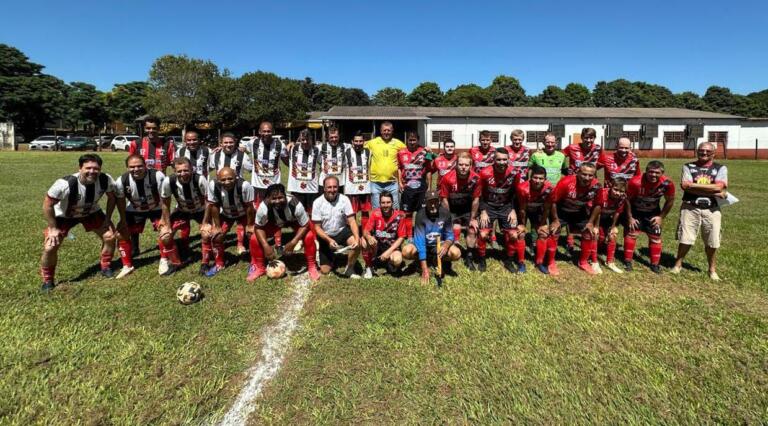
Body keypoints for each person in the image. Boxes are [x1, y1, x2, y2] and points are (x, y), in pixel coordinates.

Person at [39, 154, 118, 291]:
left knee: (110, 236)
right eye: (88, 168)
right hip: (64, 216)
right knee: (50, 247)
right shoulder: (64, 184)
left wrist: (107, 218)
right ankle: (48, 280)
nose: (92, 172)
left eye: (96, 168)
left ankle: (105, 266)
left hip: (91, 212)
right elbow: (47, 204)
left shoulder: (105, 179)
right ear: (80, 168)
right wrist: (53, 228)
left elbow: (112, 198)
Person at [672, 142, 728, 281]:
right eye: (701, 151)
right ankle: (678, 264)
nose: (704, 153)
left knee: (712, 240)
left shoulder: (720, 168)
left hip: (712, 209)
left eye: (708, 151)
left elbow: (720, 187)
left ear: (713, 153)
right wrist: (712, 188)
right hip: (690, 207)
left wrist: (693, 185)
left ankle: (712, 269)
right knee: (685, 237)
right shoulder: (688, 166)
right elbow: (685, 186)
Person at [114, 155, 176, 279]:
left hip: (156, 208)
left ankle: (164, 259)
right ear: (127, 167)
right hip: (135, 209)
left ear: (146, 166)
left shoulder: (157, 176)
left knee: (165, 232)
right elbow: (120, 201)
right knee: (121, 233)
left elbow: (165, 199)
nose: (136, 169)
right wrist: (122, 219)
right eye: (132, 167)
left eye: (139, 166)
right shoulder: (122, 180)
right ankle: (127, 265)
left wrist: (165, 218)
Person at [252, 184, 320, 282]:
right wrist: (266, 245)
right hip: (273, 223)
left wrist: (293, 242)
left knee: (308, 236)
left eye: (280, 197)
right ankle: (260, 267)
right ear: (268, 198)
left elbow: (305, 225)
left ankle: (311, 265)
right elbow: (258, 227)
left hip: (293, 222)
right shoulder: (263, 207)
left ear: (285, 195)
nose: (278, 201)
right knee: (254, 239)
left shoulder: (294, 203)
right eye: (274, 198)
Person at [472, 148, 524, 273]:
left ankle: (509, 260)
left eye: (504, 159)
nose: (501, 162)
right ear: (493, 160)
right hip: (488, 206)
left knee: (513, 234)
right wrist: (483, 211)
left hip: (506, 207)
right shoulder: (484, 173)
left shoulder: (514, 173)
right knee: (483, 234)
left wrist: (512, 209)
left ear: (508, 160)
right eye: (499, 159)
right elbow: (480, 194)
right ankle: (482, 259)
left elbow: (514, 193)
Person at [546, 162, 602, 275]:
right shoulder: (566, 182)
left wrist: (591, 222)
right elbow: (553, 202)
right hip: (561, 210)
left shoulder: (596, 186)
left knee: (588, 232)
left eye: (590, 175)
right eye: (584, 174)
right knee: (554, 231)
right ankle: (550, 262)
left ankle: (583, 262)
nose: (587, 178)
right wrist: (556, 220)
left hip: (578, 211)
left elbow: (598, 205)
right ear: (578, 173)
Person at [160, 157, 211, 275]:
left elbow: (209, 202)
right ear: (174, 171)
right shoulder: (169, 181)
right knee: (165, 235)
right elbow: (165, 205)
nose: (183, 173)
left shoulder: (200, 179)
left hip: (201, 210)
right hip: (182, 210)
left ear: (192, 169)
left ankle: (205, 263)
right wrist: (167, 225)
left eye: (186, 170)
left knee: (207, 233)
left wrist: (205, 222)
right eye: (179, 171)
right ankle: (175, 263)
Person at [623, 161, 676, 273]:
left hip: (653, 213)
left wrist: (661, 217)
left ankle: (654, 264)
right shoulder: (635, 182)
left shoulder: (667, 183)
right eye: (651, 172)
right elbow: (626, 199)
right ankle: (627, 261)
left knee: (655, 237)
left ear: (662, 173)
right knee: (631, 234)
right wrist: (630, 217)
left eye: (657, 173)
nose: (653, 175)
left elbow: (670, 200)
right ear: (646, 171)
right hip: (635, 211)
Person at [204, 167, 257, 277]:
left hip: (244, 214)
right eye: (223, 180)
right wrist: (217, 226)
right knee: (217, 236)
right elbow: (214, 206)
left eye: (230, 179)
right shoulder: (213, 185)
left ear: (236, 177)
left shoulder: (244, 185)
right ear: (218, 179)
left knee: (253, 236)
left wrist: (250, 225)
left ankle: (255, 263)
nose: (227, 182)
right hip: (227, 214)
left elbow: (249, 207)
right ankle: (219, 264)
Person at [402, 190, 461, 285]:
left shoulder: (445, 213)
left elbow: (450, 235)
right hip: (424, 244)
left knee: (456, 253)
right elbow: (420, 242)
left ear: (439, 201)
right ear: (425, 202)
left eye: (435, 202)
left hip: (439, 244)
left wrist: (446, 245)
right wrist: (425, 269)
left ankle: (436, 259)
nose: (433, 205)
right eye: (430, 202)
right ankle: (422, 261)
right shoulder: (420, 215)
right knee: (406, 251)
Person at [209, 132, 254, 254]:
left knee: (240, 215)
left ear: (235, 143)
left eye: (231, 142)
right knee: (224, 215)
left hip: (238, 190)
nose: (228, 145)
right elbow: (208, 168)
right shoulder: (215, 155)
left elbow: (251, 169)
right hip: (221, 190)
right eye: (225, 142)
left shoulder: (242, 155)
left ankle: (240, 244)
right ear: (221, 144)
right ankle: (218, 242)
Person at [312, 176, 361, 278]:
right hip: (326, 235)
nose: (332, 190)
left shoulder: (344, 199)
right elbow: (317, 228)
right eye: (329, 187)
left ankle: (350, 269)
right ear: (324, 188)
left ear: (338, 187)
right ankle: (329, 254)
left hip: (342, 231)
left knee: (357, 244)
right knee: (325, 270)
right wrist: (329, 240)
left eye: (335, 187)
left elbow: (352, 221)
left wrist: (356, 238)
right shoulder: (317, 202)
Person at [439, 152, 481, 270]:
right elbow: (444, 199)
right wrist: (448, 218)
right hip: (451, 207)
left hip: (467, 208)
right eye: (461, 164)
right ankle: (447, 253)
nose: (463, 167)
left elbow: (476, 199)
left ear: (471, 166)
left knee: (472, 230)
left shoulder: (476, 178)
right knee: (447, 228)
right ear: (456, 164)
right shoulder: (447, 178)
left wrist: (472, 218)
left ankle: (469, 256)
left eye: (466, 165)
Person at [515, 165, 555, 274]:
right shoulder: (522, 188)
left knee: (543, 233)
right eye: (535, 178)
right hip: (523, 209)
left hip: (537, 210)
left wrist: (542, 225)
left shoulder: (549, 189)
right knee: (520, 233)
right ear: (530, 178)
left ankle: (539, 262)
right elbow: (522, 209)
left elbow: (547, 209)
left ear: (545, 179)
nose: (537, 181)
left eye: (541, 178)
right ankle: (521, 262)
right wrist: (522, 224)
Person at [361, 191, 407, 278]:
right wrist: (368, 236)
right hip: (377, 246)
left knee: (397, 260)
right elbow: (365, 231)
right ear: (379, 203)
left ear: (393, 203)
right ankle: (369, 266)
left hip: (392, 247)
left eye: (388, 202)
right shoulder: (375, 213)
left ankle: (388, 263)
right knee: (363, 240)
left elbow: (401, 238)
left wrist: (388, 252)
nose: (386, 205)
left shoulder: (399, 216)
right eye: (383, 203)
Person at [587, 177, 628, 274]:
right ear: (610, 186)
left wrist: (613, 226)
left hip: (606, 217)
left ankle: (610, 261)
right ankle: (594, 261)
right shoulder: (602, 193)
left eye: (621, 191)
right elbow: (598, 211)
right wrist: (595, 226)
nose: (618, 193)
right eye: (616, 189)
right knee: (595, 234)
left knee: (613, 234)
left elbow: (617, 212)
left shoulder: (622, 198)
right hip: (593, 216)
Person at [398, 132, 432, 237]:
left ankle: (420, 233)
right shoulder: (401, 153)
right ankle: (409, 236)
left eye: (414, 140)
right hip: (407, 187)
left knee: (422, 213)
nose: (412, 142)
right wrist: (399, 182)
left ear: (418, 140)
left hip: (421, 187)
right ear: (406, 140)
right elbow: (399, 168)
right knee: (407, 212)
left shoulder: (424, 152)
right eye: (410, 140)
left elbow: (429, 170)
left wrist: (429, 186)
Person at [366, 121, 406, 209]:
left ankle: (394, 222)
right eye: (384, 130)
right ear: (380, 131)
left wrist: (423, 148)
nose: (386, 132)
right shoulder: (373, 142)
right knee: (377, 209)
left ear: (392, 131)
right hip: (375, 183)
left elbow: (410, 151)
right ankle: (379, 223)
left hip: (392, 183)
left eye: (388, 130)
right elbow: (359, 146)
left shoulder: (398, 143)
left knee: (395, 208)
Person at [343, 131, 372, 230]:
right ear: (352, 142)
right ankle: (353, 233)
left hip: (365, 188)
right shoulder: (346, 152)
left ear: (364, 141)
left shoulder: (368, 152)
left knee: (365, 212)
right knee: (352, 213)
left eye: (360, 141)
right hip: (351, 189)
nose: (358, 143)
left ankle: (365, 233)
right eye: (356, 141)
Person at [286, 129, 320, 212]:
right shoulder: (292, 148)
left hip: (312, 189)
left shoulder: (317, 150)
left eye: (307, 139)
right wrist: (290, 144)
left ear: (311, 139)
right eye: (303, 139)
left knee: (311, 213)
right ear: (299, 139)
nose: (305, 142)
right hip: (296, 188)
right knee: (297, 212)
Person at [318, 126, 346, 193]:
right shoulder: (321, 147)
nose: (334, 139)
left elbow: (359, 145)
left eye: (336, 137)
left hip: (340, 183)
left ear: (339, 136)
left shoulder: (345, 146)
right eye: (331, 137)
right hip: (324, 183)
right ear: (327, 137)